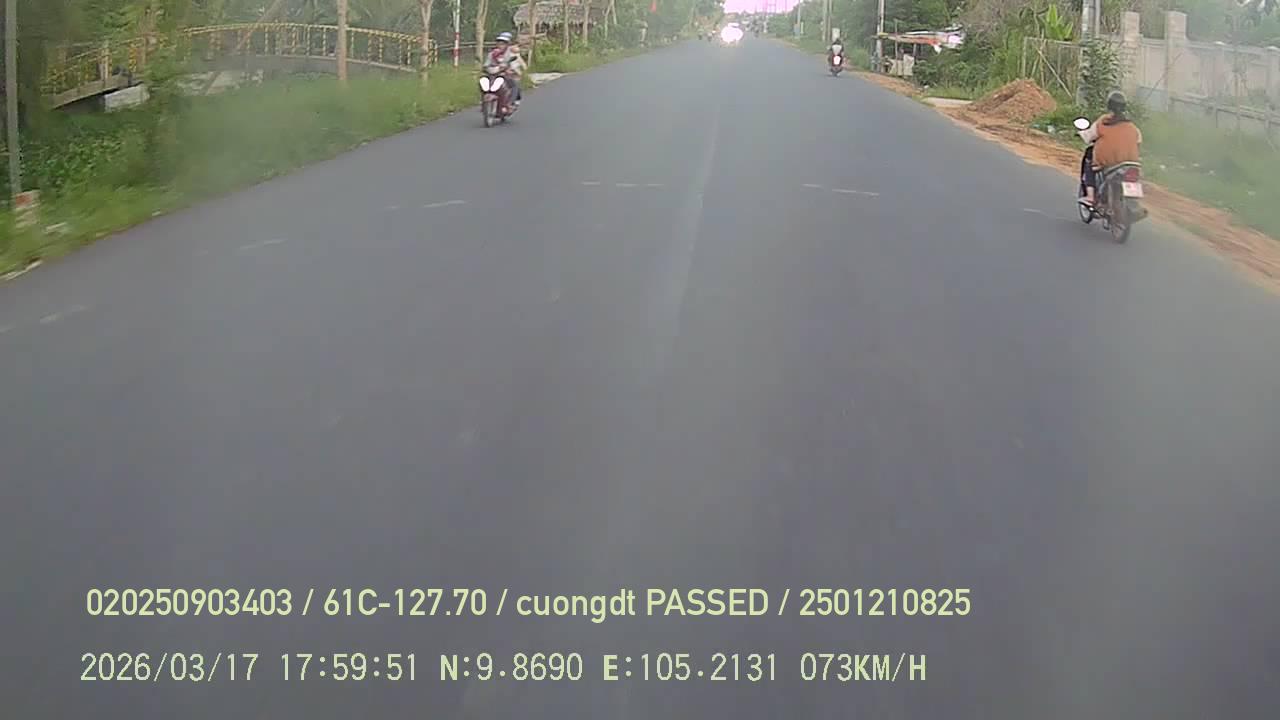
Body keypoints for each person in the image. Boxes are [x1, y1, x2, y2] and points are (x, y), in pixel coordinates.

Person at [1080, 91, 1143, 208]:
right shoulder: (1132, 127)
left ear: (1109, 105)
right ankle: (1134, 204)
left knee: (1089, 165)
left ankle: (1090, 197)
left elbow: (1089, 136)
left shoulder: (1103, 122)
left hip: (1108, 163)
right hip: (1130, 163)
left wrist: (1081, 133)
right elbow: (1139, 141)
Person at [484, 31, 525, 110]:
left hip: (505, 75)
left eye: (503, 44)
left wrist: (510, 70)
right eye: (499, 43)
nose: (500, 45)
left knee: (514, 86)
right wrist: (486, 68)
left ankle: (510, 103)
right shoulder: (492, 54)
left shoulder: (510, 54)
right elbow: (486, 64)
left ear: (507, 44)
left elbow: (514, 64)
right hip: (493, 75)